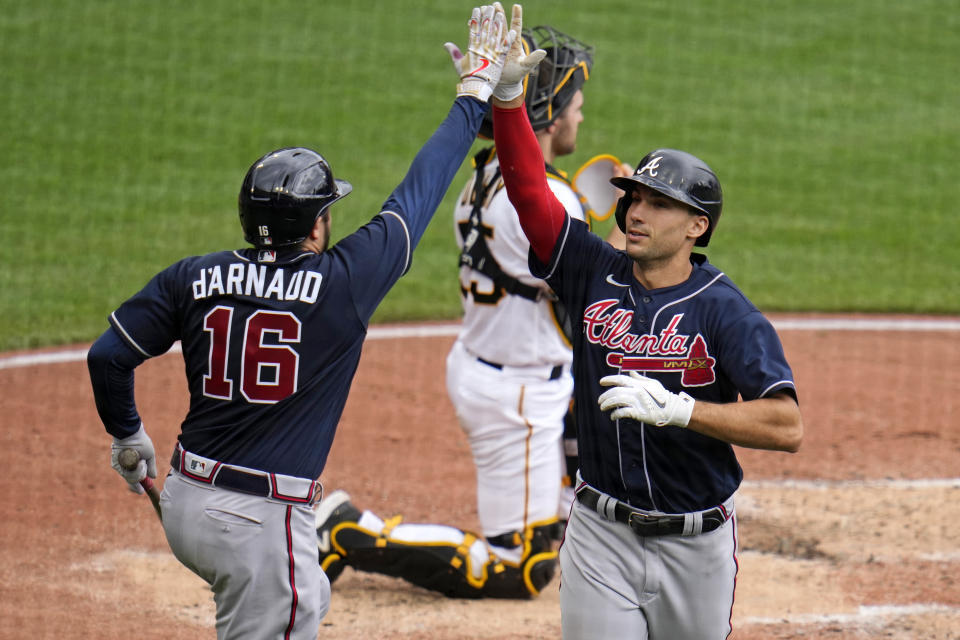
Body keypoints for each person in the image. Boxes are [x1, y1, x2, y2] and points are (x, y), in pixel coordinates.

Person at [86, 5, 517, 638]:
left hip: (183, 503)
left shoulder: (192, 276)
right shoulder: (342, 285)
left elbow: (107, 356)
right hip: (259, 521)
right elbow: (418, 192)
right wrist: (473, 97)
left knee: (306, 599)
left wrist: (127, 436)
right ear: (317, 224)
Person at [486, 37, 805, 639]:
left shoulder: (725, 312)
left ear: (696, 226)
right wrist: (508, 103)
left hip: (697, 545)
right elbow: (529, 191)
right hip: (600, 533)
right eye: (633, 197)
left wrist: (686, 412)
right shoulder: (588, 270)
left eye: (659, 205)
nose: (635, 212)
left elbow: (786, 427)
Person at [314, 22, 626, 601]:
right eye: (576, 107)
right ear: (551, 116)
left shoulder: (484, 177)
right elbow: (589, 297)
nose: (581, 118)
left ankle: (560, 506)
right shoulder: (551, 199)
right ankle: (350, 532)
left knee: (584, 487)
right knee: (525, 568)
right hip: (520, 395)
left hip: (494, 364)